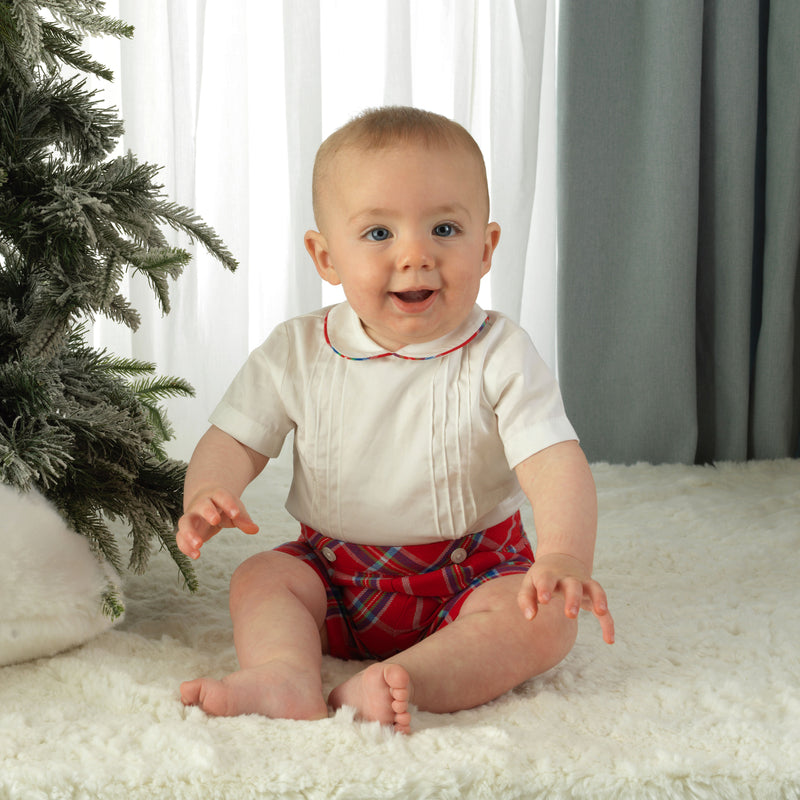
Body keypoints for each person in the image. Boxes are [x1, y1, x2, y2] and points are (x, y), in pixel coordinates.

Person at [176, 106, 614, 734]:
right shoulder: (298, 349)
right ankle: (284, 673)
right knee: (261, 578)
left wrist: (567, 555)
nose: (415, 255)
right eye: (379, 234)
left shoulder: (499, 351)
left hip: (473, 573)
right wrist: (209, 492)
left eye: (443, 228)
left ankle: (413, 680)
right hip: (331, 573)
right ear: (325, 257)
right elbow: (234, 439)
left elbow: (554, 461)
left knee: (545, 619)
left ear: (486, 248)